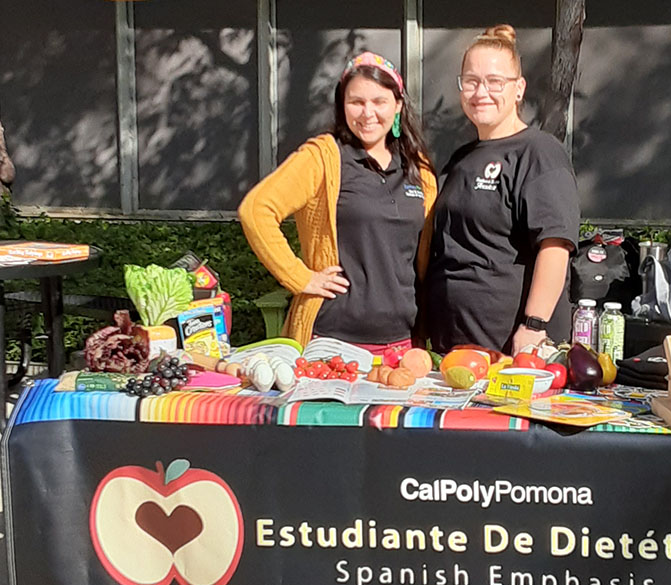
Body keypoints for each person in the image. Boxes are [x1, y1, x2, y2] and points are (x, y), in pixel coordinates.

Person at [239, 52, 436, 352]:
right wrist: (300, 277)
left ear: (397, 105)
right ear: (342, 106)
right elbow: (256, 210)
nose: (367, 112)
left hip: (402, 345)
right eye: (356, 102)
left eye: (379, 101)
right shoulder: (323, 158)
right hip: (332, 343)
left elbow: (424, 260)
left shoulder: (419, 170)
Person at [425, 24, 579, 355]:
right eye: (471, 81)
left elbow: (555, 245)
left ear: (519, 89)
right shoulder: (460, 159)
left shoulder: (538, 152)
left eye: (495, 82)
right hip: (454, 347)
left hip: (514, 348)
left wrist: (534, 325)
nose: (482, 92)